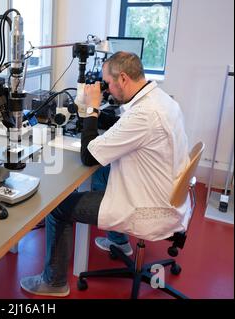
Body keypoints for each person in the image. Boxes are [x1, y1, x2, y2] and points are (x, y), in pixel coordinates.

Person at [20, 52, 190, 297]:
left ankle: (53, 282)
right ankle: (118, 241)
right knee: (101, 175)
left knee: (58, 208)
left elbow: (89, 156)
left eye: (108, 83)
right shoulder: (161, 100)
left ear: (122, 78)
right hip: (169, 192)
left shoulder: (143, 115)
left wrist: (91, 108)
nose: (107, 90)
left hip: (149, 207)